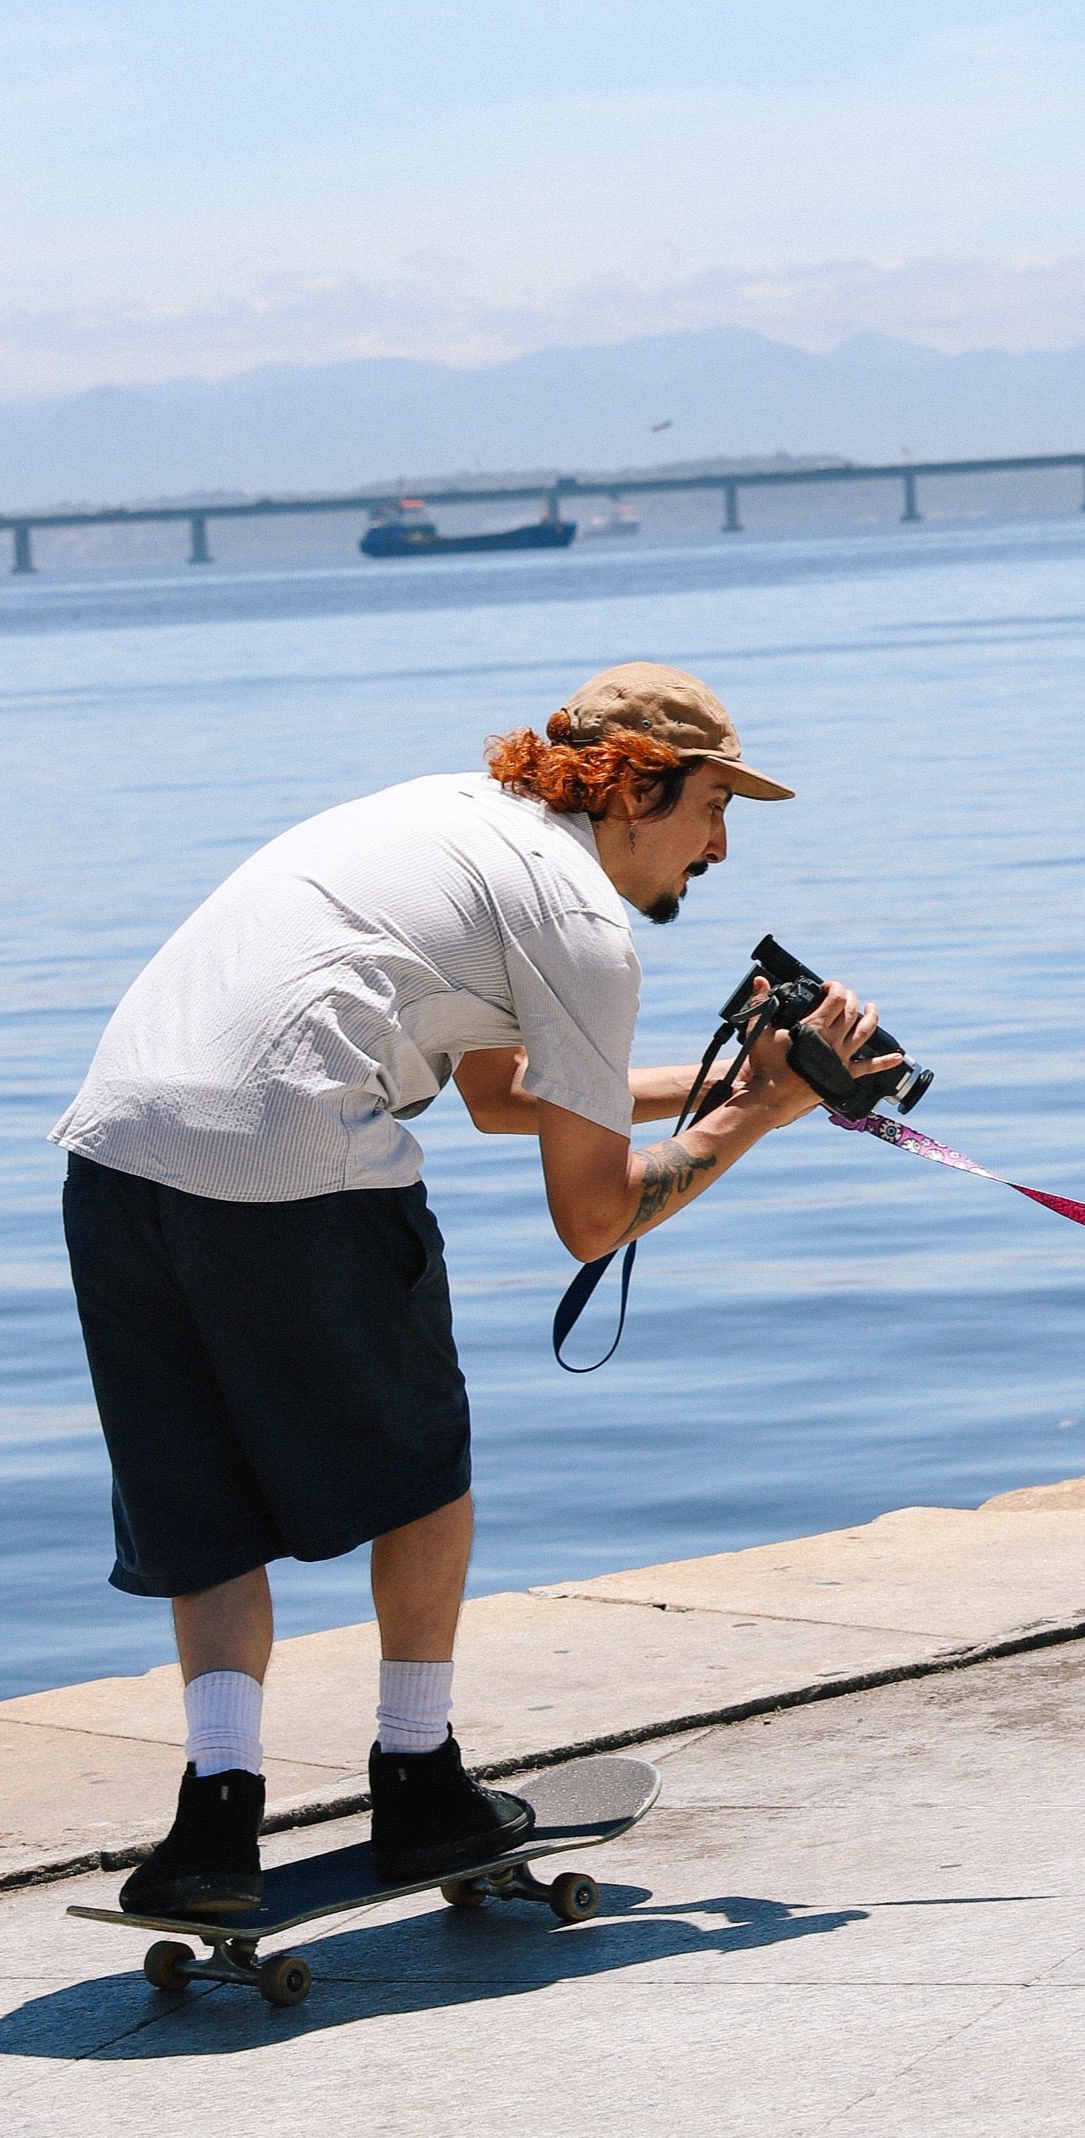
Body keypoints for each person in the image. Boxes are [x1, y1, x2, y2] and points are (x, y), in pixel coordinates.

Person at [54, 659, 887, 1924]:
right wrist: (760, 1115)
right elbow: (592, 1216)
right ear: (636, 788)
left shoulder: (451, 824)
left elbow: (506, 1094)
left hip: (116, 1149)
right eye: (714, 805)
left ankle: (213, 1825)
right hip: (296, 1149)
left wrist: (742, 1083)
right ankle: (417, 1777)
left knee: (203, 1499)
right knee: (422, 1468)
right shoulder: (581, 925)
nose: (719, 845)